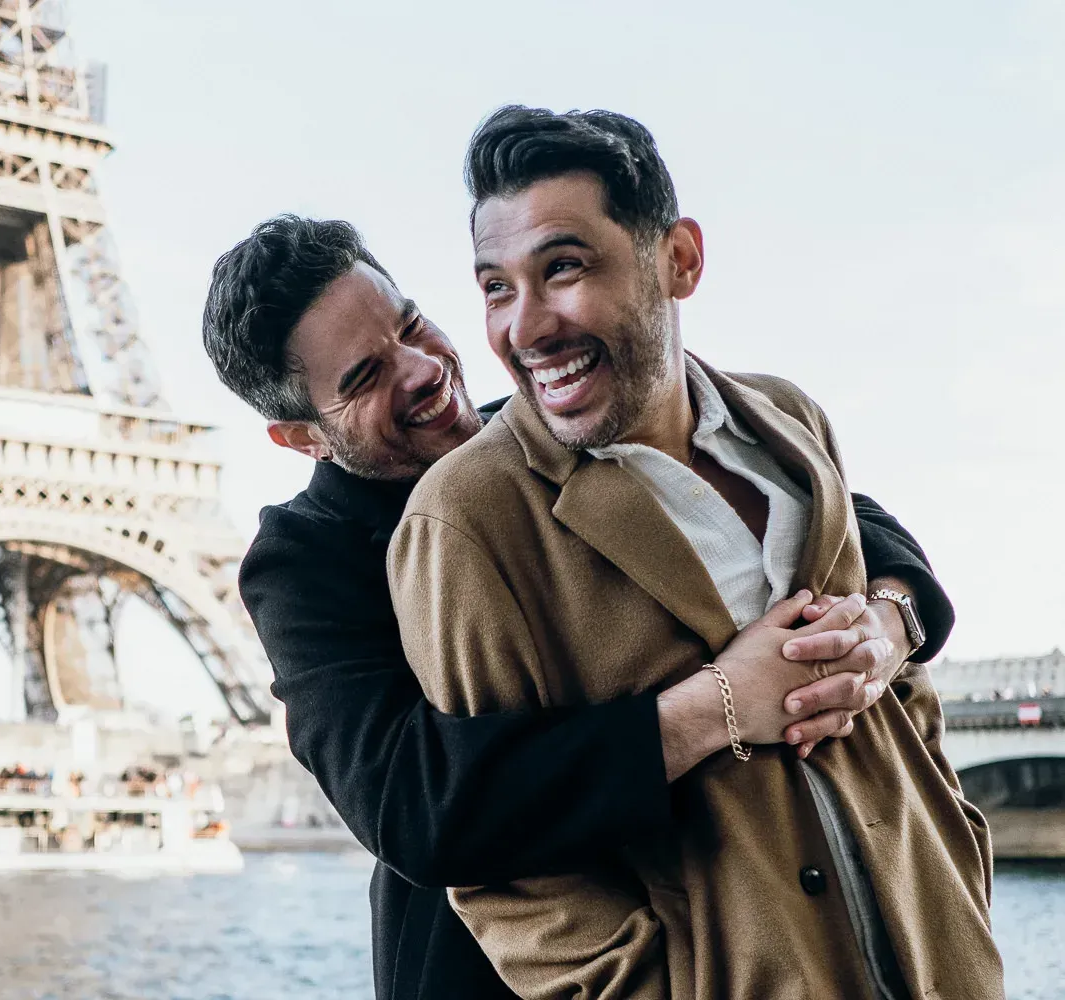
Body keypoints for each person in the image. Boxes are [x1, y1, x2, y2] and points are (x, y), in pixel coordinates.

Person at [202, 213, 956, 996]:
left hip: (742, 928)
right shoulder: (303, 563)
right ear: (301, 439)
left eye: (412, 325)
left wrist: (892, 616)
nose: (422, 368)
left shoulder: (542, 429)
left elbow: (816, 500)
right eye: (364, 377)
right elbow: (417, 806)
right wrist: (719, 706)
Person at [387, 106, 1000, 998]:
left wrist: (959, 872)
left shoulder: (791, 419)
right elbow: (505, 870)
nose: (526, 326)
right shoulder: (468, 517)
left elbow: (901, 697)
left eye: (562, 269)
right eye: (495, 288)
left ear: (679, 260)